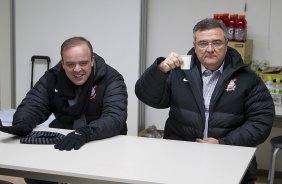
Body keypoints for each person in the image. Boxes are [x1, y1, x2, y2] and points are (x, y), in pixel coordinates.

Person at [135, 18, 275, 184]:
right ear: (194, 46)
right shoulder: (178, 72)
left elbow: (262, 120)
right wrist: (160, 70)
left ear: (226, 44)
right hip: (181, 160)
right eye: (203, 43)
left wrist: (224, 143)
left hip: (229, 161)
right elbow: (148, 97)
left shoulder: (247, 78)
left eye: (216, 42)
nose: (210, 49)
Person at [0, 36, 128, 184]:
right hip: (65, 138)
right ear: (62, 63)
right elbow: (33, 104)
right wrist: (23, 122)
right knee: (35, 176)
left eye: (83, 63)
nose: (77, 69)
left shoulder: (112, 78)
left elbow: (115, 117)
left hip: (103, 140)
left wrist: (85, 132)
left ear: (92, 60)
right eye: (71, 64)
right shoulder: (52, 77)